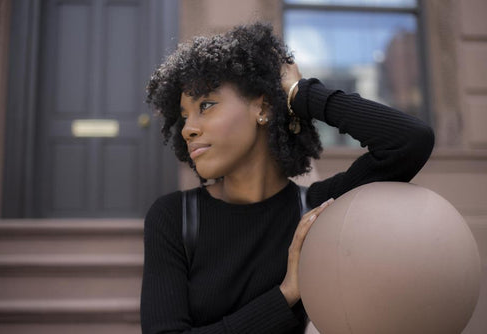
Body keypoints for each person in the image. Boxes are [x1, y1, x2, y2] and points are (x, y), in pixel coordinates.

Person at [140, 22, 434, 334]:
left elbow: (409, 141)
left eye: (206, 105)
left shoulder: (316, 212)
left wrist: (300, 93)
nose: (188, 128)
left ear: (262, 107)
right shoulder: (174, 218)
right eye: (185, 116)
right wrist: (285, 295)